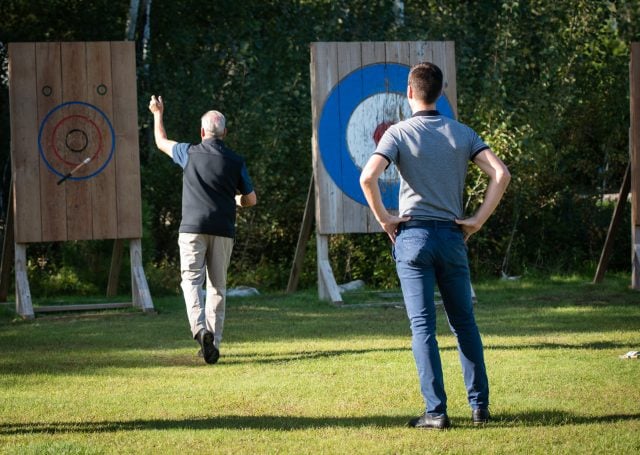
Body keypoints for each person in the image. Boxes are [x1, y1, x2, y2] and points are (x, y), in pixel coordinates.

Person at [359, 62, 510, 429]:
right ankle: (479, 407)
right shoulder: (463, 133)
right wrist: (476, 220)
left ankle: (436, 412)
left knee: (423, 326)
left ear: (409, 93)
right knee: (464, 323)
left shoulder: (397, 133)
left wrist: (385, 220)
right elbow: (501, 174)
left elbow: (368, 177)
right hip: (452, 236)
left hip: (413, 238)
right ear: (441, 92)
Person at [149, 95, 257, 365]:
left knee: (191, 282)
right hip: (223, 230)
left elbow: (161, 142)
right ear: (225, 133)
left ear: (201, 132)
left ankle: (200, 330)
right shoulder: (235, 160)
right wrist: (237, 200)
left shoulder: (188, 152)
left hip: (192, 229)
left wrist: (157, 114)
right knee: (217, 287)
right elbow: (251, 199)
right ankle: (214, 343)